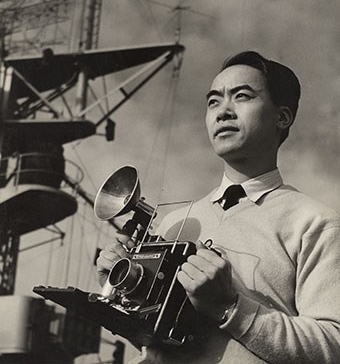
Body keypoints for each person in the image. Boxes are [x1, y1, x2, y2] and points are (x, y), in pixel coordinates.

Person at [96, 51, 340, 363]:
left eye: (242, 96)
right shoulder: (174, 222)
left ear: (282, 117)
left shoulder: (314, 223)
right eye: (213, 101)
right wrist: (118, 285)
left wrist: (230, 307)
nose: (222, 112)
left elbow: (333, 346)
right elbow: (151, 337)